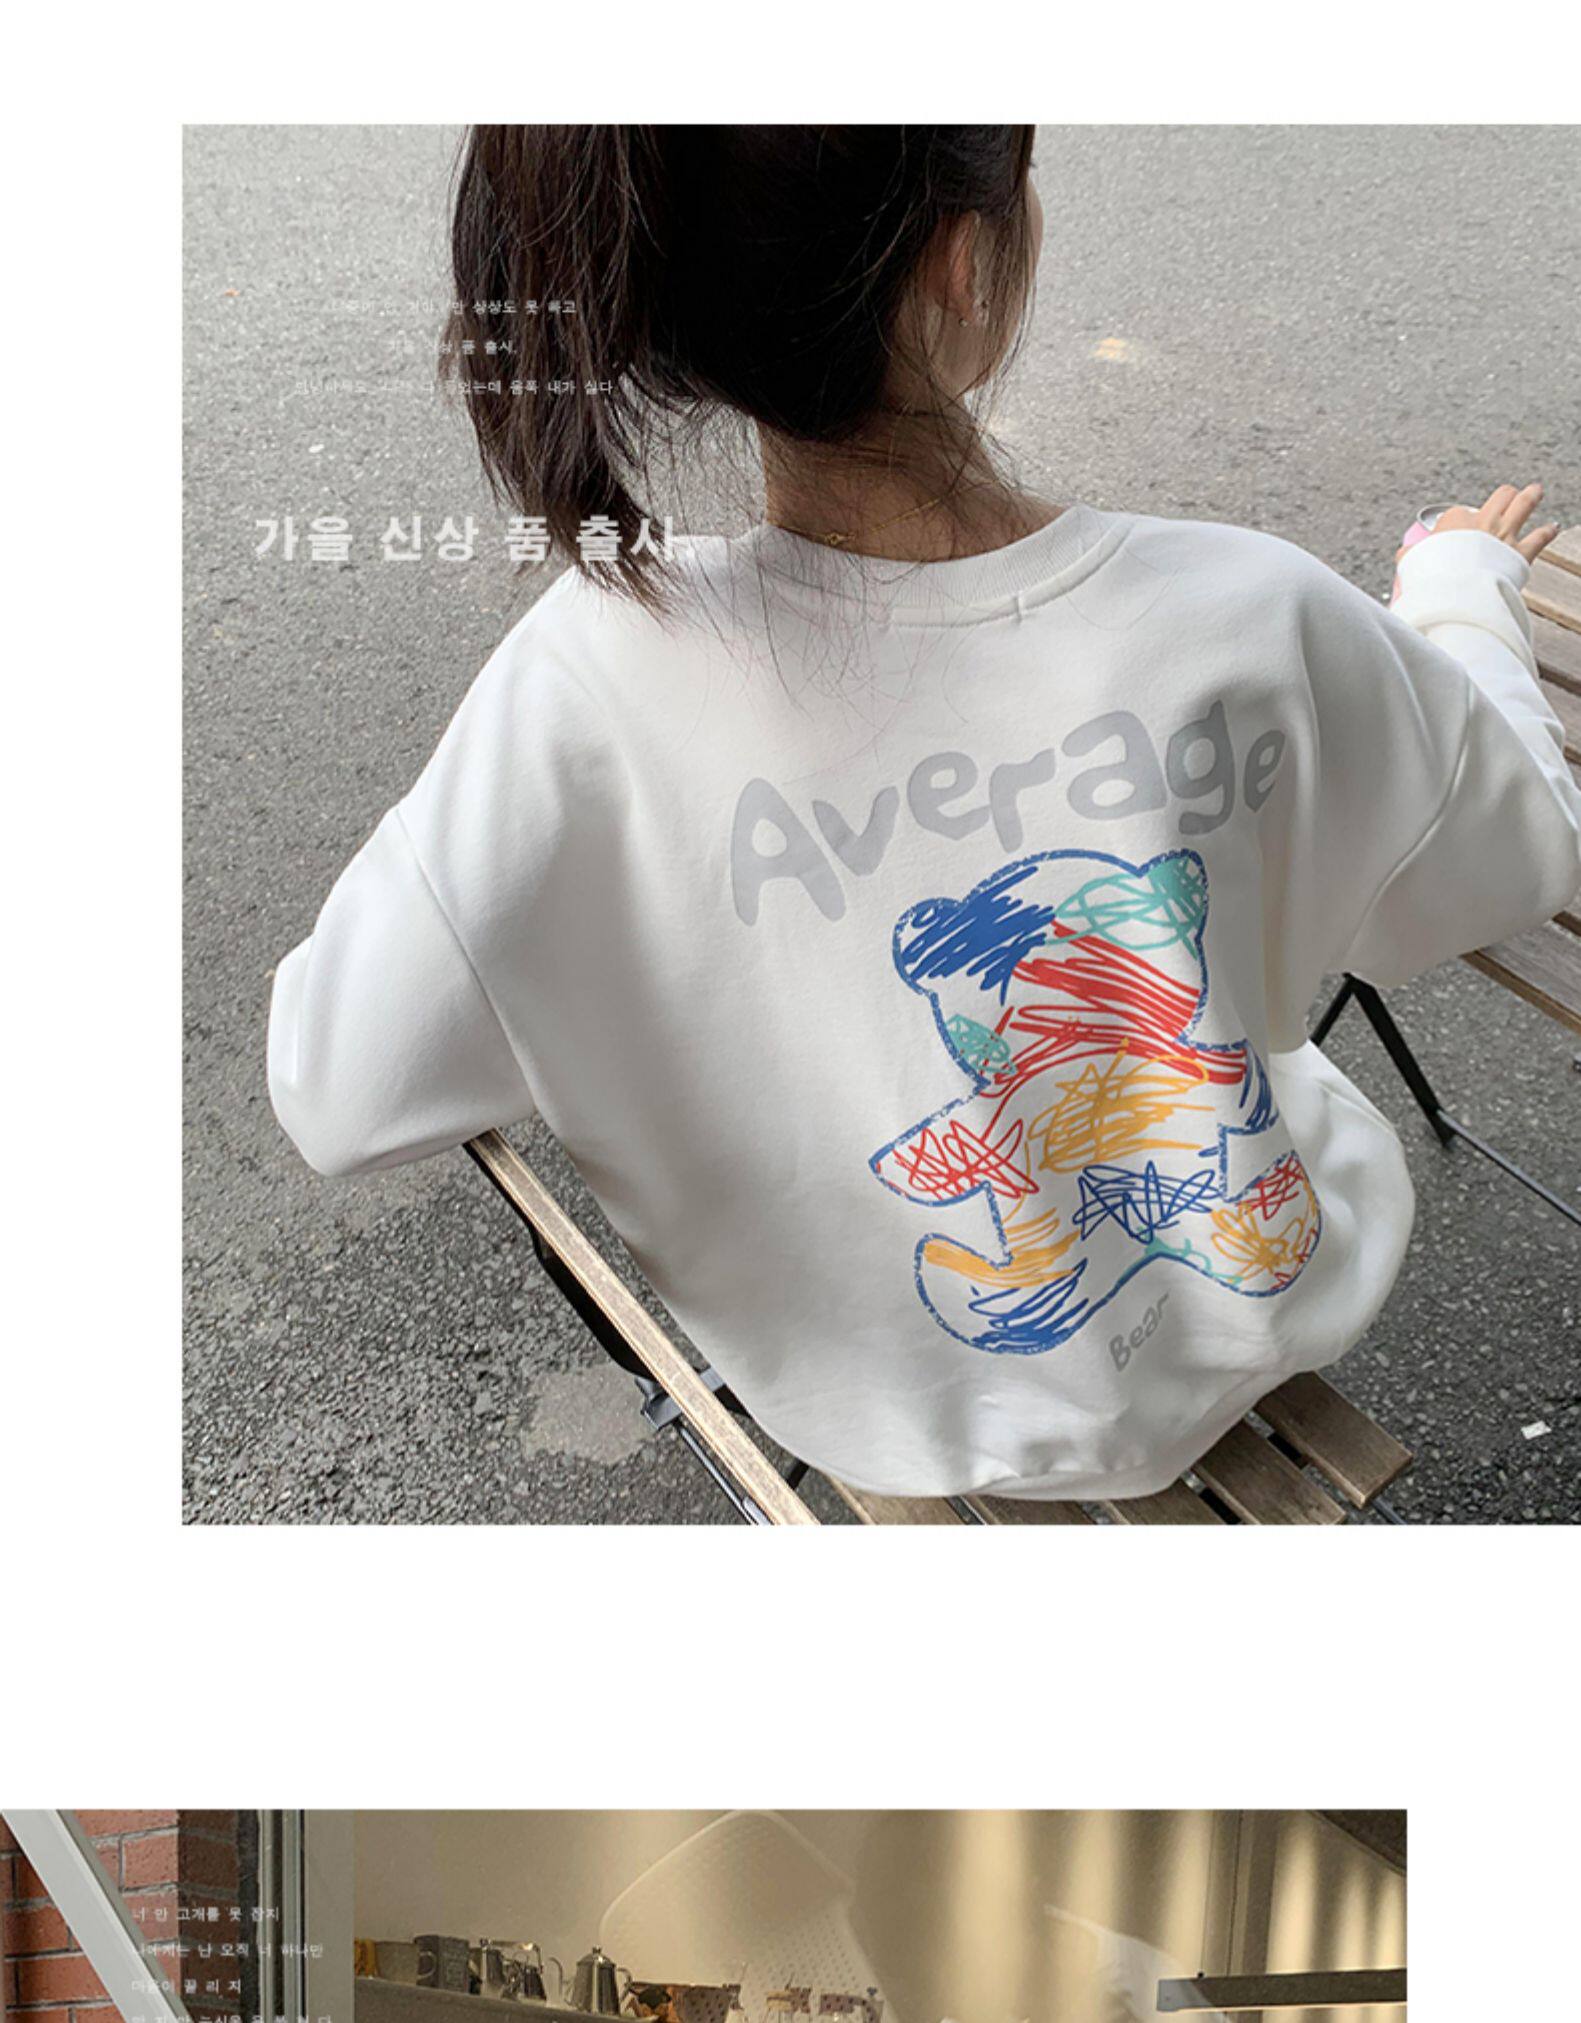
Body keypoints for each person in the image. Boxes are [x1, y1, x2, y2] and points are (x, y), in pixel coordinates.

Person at [267, 126, 1579, 1502]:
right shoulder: (1248, 617)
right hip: (1265, 1297)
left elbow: (339, 1091)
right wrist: (1457, 587)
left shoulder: (580, 685)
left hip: (876, 1406)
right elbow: (1519, 850)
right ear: (959, 258)